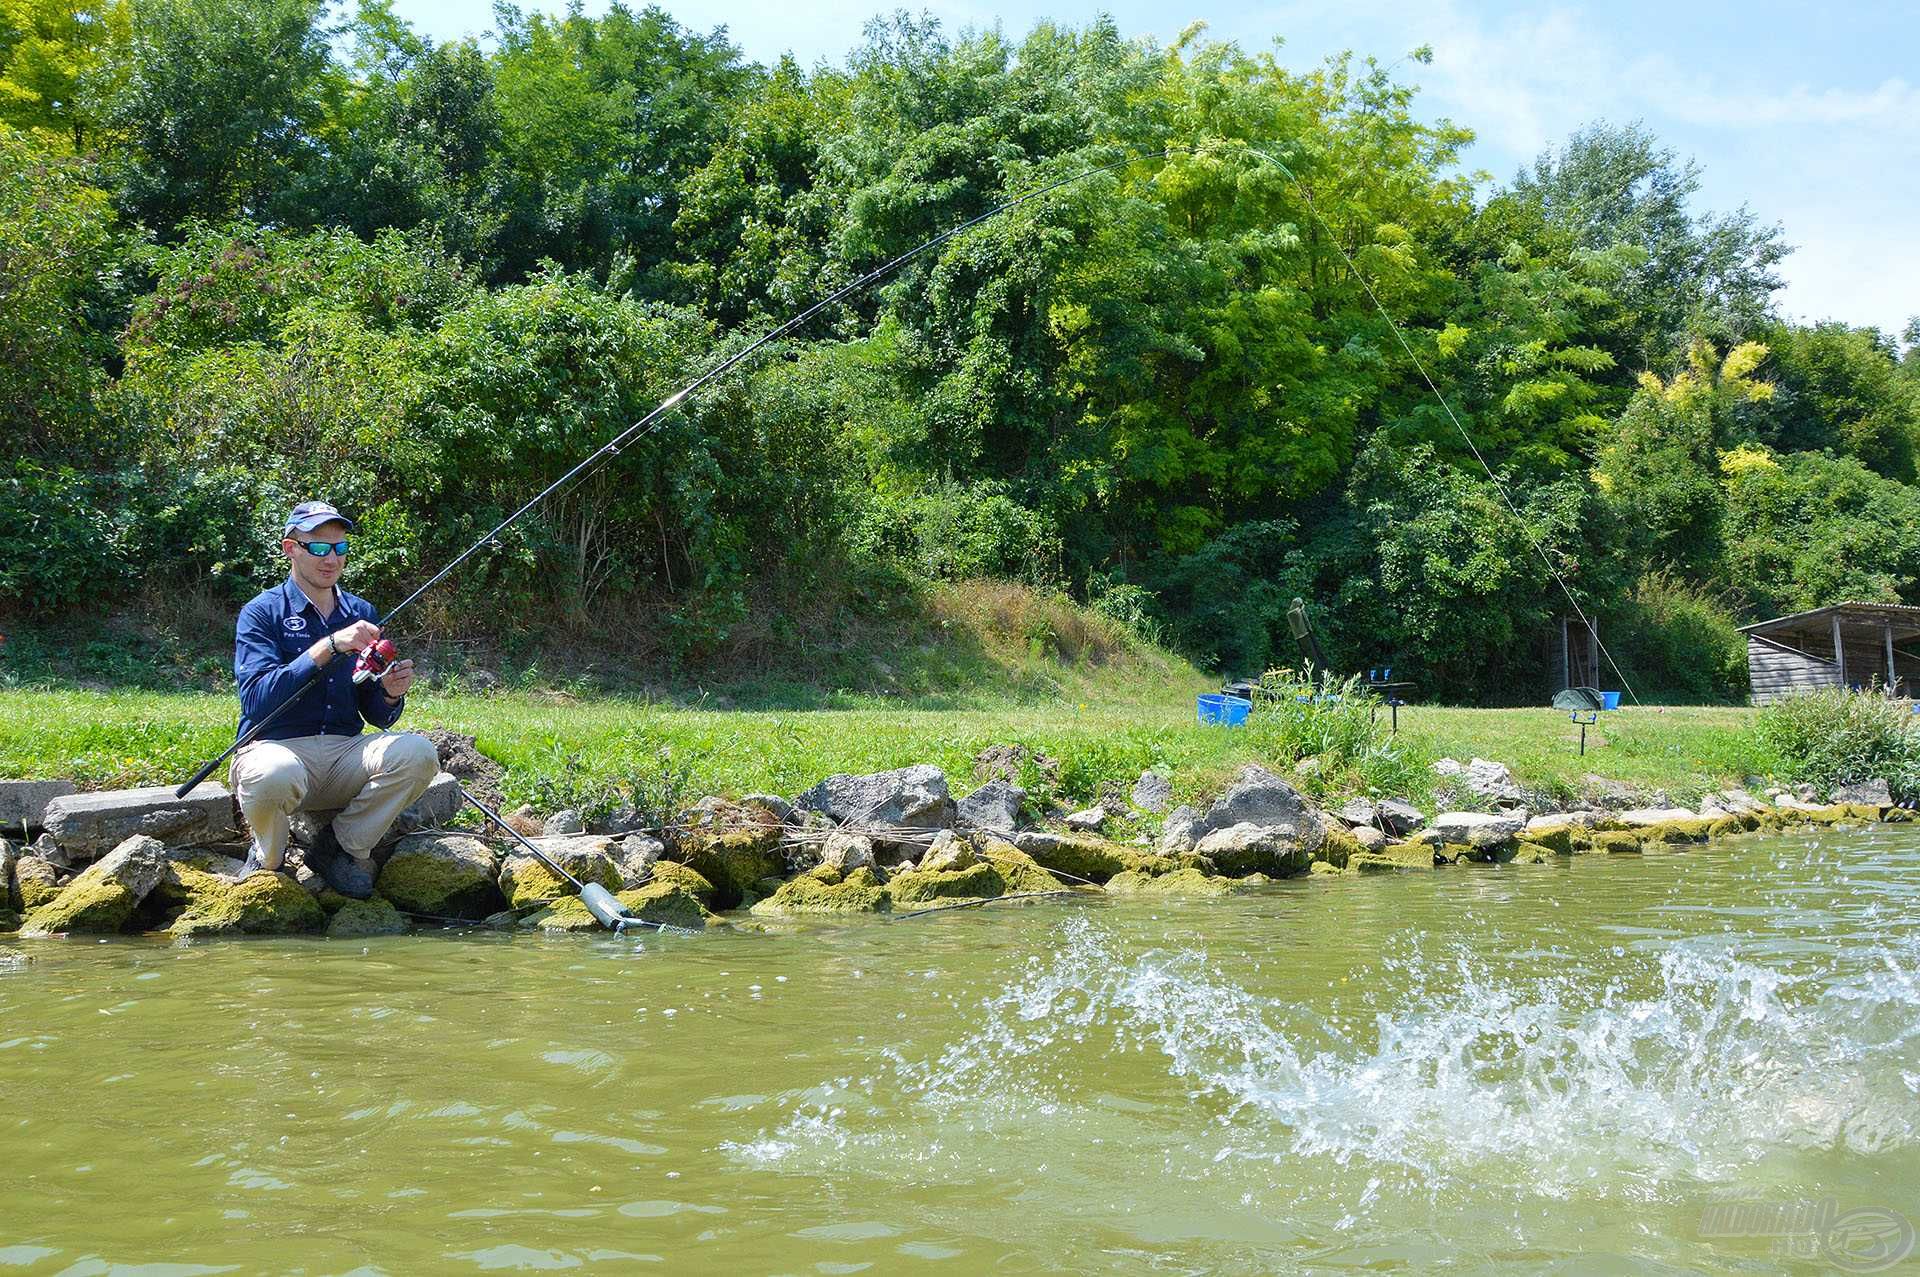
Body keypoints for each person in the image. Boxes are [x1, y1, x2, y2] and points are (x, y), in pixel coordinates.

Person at [228, 500, 438, 898]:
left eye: (340, 549)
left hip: (344, 753)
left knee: (418, 752)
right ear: (291, 549)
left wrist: (391, 695)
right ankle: (268, 857)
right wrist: (326, 647)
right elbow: (256, 700)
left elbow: (376, 713)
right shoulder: (261, 612)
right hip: (276, 748)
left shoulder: (360, 612)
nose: (332, 559)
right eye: (319, 548)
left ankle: (337, 848)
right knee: (271, 773)